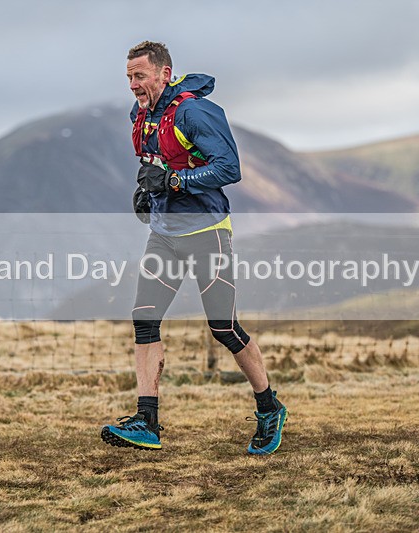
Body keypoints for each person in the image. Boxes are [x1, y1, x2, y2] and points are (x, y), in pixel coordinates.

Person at [100, 41, 287, 455]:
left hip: (207, 232)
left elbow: (229, 169)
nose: (133, 84)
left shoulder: (193, 112)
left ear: (164, 73)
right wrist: (145, 191)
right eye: (129, 76)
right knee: (144, 320)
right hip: (164, 235)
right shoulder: (142, 114)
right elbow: (156, 160)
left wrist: (173, 184)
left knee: (224, 328)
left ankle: (269, 408)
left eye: (140, 75)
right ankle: (147, 421)